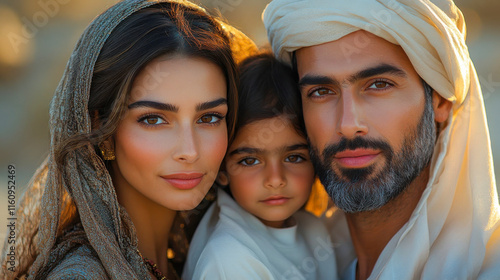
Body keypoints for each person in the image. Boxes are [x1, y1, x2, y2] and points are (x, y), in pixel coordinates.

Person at [0, 0, 257, 279]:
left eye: (209, 118)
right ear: (101, 129)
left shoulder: (197, 256)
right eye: (153, 119)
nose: (190, 151)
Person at [263, 0, 500, 279]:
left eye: (379, 85)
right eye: (321, 91)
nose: (348, 125)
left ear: (440, 100)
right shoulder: (293, 266)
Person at [183, 52, 336, 280]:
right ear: (222, 169)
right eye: (250, 161)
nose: (275, 179)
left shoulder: (314, 230)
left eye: (294, 158)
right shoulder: (230, 263)